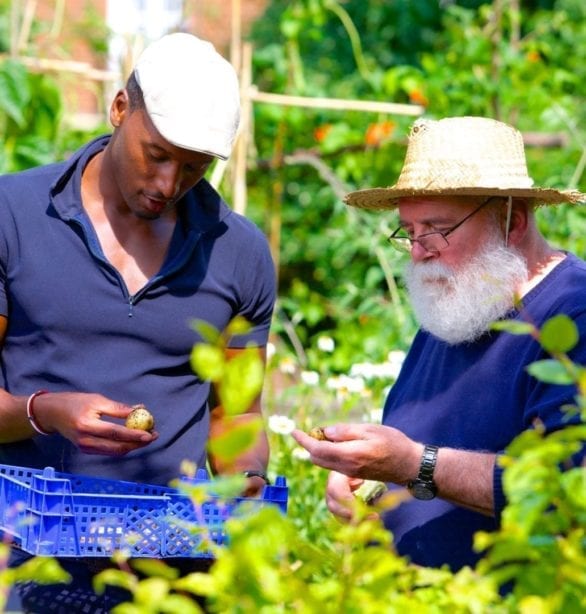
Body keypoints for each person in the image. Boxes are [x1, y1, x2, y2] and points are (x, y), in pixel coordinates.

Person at [0, 33, 276, 612]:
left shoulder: (238, 252)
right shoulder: (14, 216)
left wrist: (244, 480)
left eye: (196, 168)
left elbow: (237, 411)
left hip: (175, 570)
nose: (169, 184)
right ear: (120, 108)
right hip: (31, 553)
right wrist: (46, 412)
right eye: (157, 154)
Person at [292, 116, 586, 572]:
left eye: (436, 229)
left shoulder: (572, 314)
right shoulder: (460, 305)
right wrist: (368, 486)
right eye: (408, 231)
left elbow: (566, 491)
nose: (417, 251)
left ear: (513, 221)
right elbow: (415, 450)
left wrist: (415, 464)